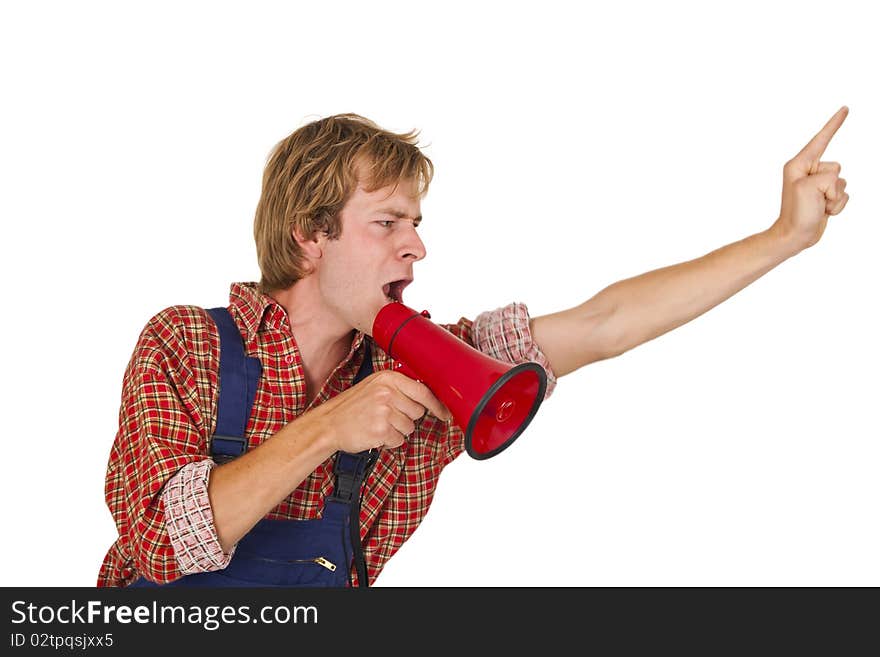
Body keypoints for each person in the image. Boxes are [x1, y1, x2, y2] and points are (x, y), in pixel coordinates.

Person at [98, 108, 850, 587]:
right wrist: (331, 426)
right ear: (310, 235)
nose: (416, 246)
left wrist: (782, 239)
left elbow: (604, 322)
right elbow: (162, 541)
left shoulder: (418, 374)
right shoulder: (186, 342)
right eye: (387, 223)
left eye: (416, 223)